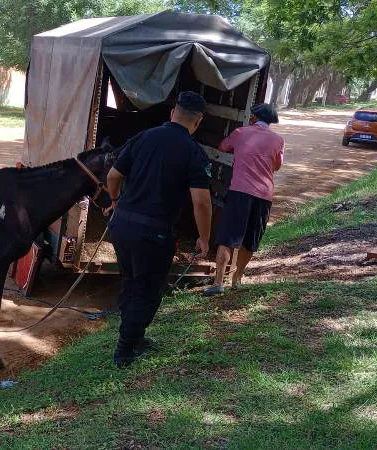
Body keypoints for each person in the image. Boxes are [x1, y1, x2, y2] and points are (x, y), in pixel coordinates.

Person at [105, 91, 213, 368]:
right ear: (198, 121)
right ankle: (125, 351)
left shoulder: (143, 138)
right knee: (148, 290)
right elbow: (201, 202)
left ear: (172, 112)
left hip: (121, 225)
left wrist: (115, 201)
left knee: (130, 282)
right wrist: (204, 237)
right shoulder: (193, 152)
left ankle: (135, 337)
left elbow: (113, 176)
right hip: (153, 233)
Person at [203, 103, 284, 296]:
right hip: (264, 196)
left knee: (228, 237)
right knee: (251, 239)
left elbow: (223, 146)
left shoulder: (240, 133)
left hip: (240, 192)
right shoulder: (278, 140)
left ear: (254, 117)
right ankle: (237, 279)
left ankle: (218, 282)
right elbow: (278, 166)